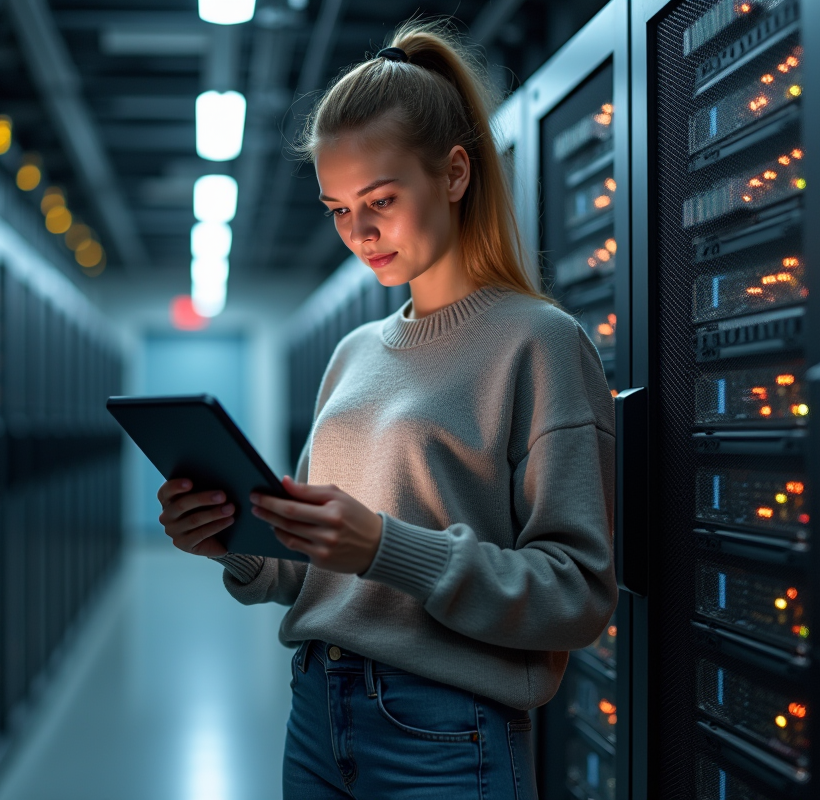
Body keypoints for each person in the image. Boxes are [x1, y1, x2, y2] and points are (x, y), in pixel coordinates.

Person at [156, 19, 618, 800]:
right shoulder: (354, 352)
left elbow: (575, 595)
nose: (359, 232)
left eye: (380, 200)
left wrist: (383, 546)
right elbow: (306, 568)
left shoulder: (538, 343)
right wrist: (230, 541)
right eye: (337, 209)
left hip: (445, 730)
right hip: (317, 711)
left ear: (455, 174)